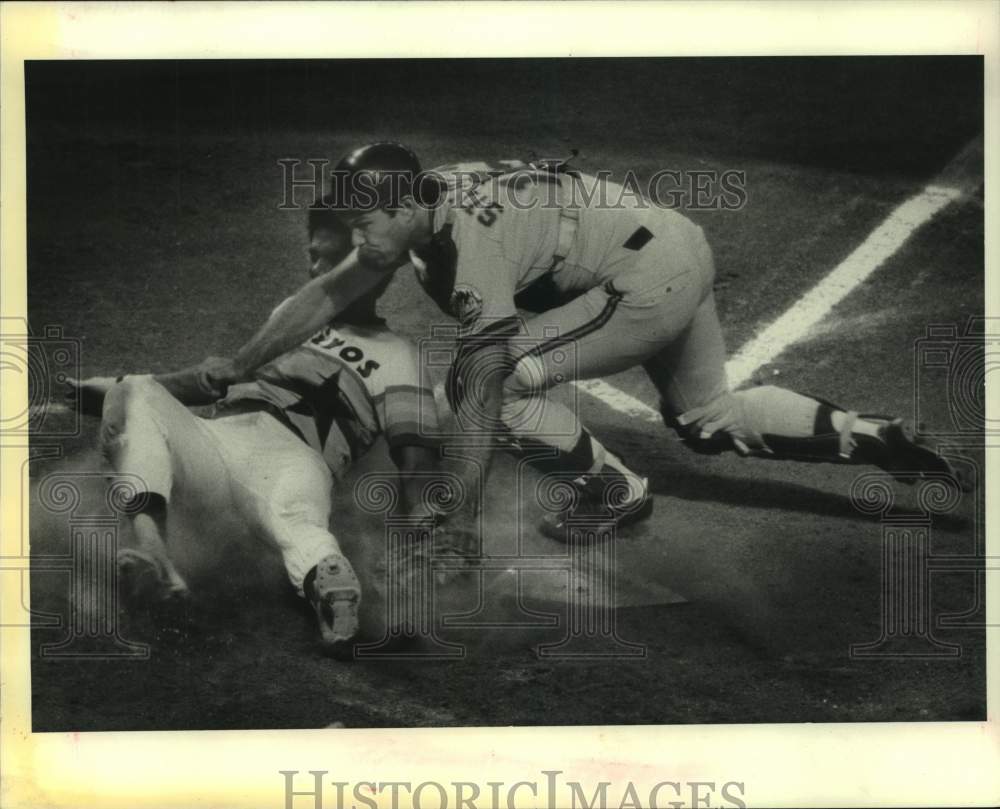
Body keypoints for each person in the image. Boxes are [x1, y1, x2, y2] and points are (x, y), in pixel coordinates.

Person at [201, 142, 959, 538]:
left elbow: (488, 377)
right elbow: (331, 289)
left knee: (473, 384)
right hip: (671, 243)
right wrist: (238, 365)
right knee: (706, 415)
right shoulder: (427, 197)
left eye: (366, 222)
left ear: (404, 206)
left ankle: (613, 491)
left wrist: (457, 504)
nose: (357, 236)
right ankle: (874, 436)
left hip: (641, 282)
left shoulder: (469, 248)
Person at [69, 206, 442, 651]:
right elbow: (214, 381)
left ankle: (337, 592)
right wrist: (113, 391)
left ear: (366, 265)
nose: (315, 270)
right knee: (142, 390)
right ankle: (157, 556)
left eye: (328, 260)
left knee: (300, 521)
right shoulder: (292, 315)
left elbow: (415, 455)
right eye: (313, 256)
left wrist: (412, 534)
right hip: (225, 438)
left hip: (299, 459)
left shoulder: (401, 355)